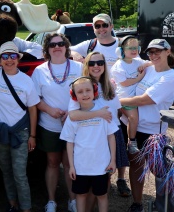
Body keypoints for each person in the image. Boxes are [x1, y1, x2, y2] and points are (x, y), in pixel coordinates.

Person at [0, 41, 40, 212]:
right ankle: (13, 204)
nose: (9, 60)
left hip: (20, 133)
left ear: (18, 59)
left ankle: (26, 208)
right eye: (5, 57)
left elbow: (32, 109)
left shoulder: (26, 81)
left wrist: (32, 136)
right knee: (5, 170)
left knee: (20, 174)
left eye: (13, 56)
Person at [119, 39, 174, 212]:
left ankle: (163, 206)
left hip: (152, 132)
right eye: (151, 52)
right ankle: (137, 203)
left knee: (159, 171)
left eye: (158, 51)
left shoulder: (170, 77)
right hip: (131, 126)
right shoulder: (148, 68)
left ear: (168, 51)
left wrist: (114, 101)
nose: (154, 55)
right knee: (135, 166)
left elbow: (144, 100)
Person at [69, 52, 131, 203]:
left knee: (105, 176)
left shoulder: (110, 85)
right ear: (87, 66)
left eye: (100, 63)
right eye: (92, 63)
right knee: (89, 180)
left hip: (111, 134)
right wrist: (99, 113)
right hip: (91, 136)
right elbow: (73, 115)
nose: (96, 66)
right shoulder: (82, 85)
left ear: (104, 65)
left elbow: (116, 111)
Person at [31, 33, 83, 212]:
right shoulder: (40, 71)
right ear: (47, 49)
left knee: (70, 164)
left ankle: (73, 200)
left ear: (66, 47)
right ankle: (51, 201)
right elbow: (34, 99)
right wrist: (49, 110)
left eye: (61, 44)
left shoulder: (78, 67)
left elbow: (88, 92)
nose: (57, 47)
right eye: (52, 45)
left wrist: (74, 111)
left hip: (74, 124)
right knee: (52, 162)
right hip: (49, 125)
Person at [60, 76, 117, 212]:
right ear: (74, 96)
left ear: (94, 91)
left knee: (102, 196)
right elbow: (69, 142)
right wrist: (72, 166)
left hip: (101, 165)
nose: (85, 94)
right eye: (80, 92)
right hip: (81, 166)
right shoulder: (73, 118)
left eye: (88, 90)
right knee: (81, 195)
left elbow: (111, 136)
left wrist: (113, 160)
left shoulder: (104, 113)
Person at [110, 36, 152, 154]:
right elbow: (125, 82)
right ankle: (131, 142)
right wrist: (140, 77)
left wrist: (145, 65)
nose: (134, 50)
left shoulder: (138, 61)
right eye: (131, 48)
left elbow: (150, 62)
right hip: (125, 98)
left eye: (136, 47)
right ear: (121, 50)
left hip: (136, 97)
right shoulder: (118, 66)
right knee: (133, 118)